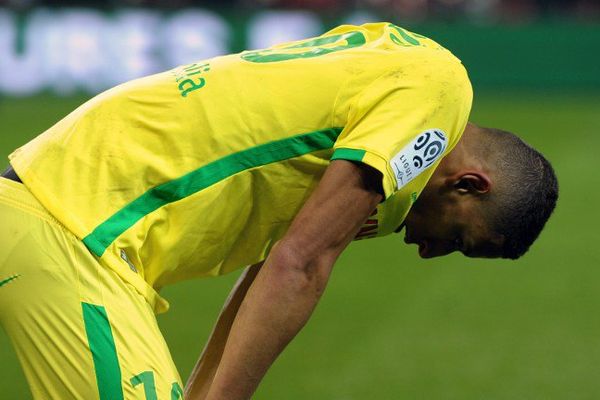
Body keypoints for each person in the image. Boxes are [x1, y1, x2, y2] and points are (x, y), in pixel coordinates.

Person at [0, 22, 558, 400]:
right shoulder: (437, 94)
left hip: (74, 214)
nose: (430, 252)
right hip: (78, 222)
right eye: (458, 240)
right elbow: (302, 262)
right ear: (469, 184)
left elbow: (272, 267)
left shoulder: (403, 95)